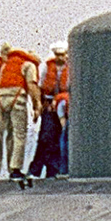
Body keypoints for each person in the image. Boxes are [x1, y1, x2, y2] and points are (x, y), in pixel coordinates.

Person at [0, 43, 41, 178]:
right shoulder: (28, 66)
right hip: (17, 100)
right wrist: (36, 106)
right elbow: (32, 87)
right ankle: (14, 169)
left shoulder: (2, 67)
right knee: (18, 135)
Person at [40, 41, 70, 174]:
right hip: (50, 106)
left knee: (63, 136)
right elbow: (41, 86)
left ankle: (62, 168)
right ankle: (52, 169)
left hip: (64, 104)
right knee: (48, 137)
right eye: (58, 55)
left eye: (62, 55)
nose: (60, 58)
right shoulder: (47, 68)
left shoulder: (71, 68)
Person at [29, 95, 65, 178]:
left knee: (46, 138)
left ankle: (37, 169)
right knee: (50, 138)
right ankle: (51, 168)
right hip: (54, 104)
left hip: (52, 104)